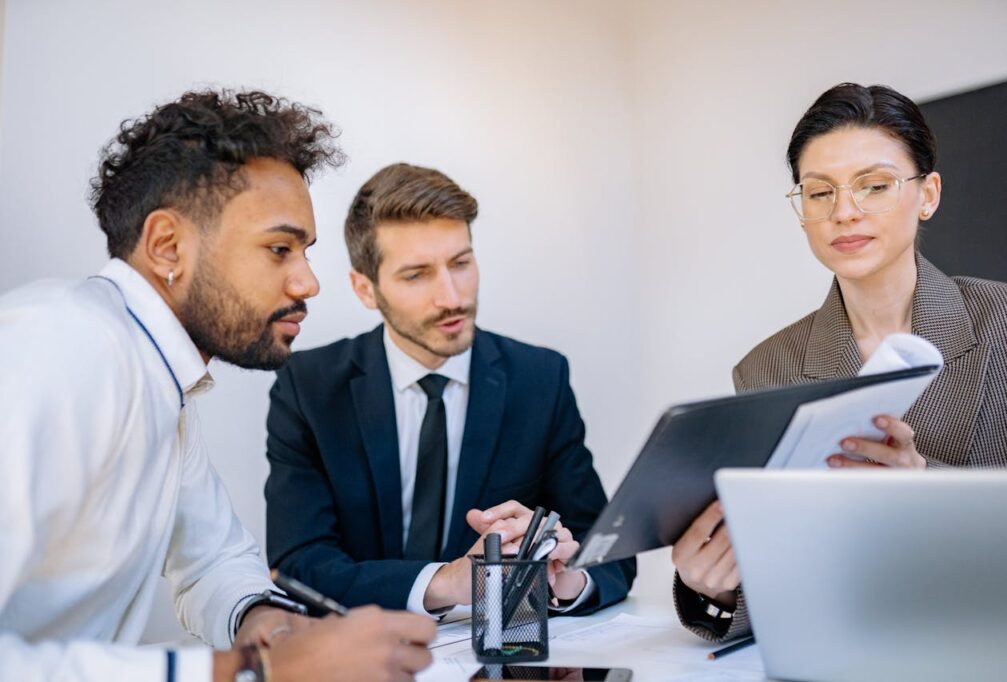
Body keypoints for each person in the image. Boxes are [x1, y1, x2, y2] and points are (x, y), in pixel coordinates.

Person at [0, 90, 436, 682]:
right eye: (278, 249)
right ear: (167, 247)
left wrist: (271, 625)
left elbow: (212, 561)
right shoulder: (67, 345)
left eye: (304, 252)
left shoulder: (160, 379)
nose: (308, 282)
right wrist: (255, 672)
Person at [671, 82, 1007, 642]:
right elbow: (785, 564)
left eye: (874, 186)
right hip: (843, 646)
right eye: (819, 193)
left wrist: (926, 487)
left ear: (928, 193)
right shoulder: (767, 369)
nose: (844, 213)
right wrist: (715, 587)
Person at [265, 162, 635, 616]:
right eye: (417, 274)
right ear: (365, 288)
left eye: (461, 264)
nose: (452, 297)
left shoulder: (540, 378)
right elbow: (298, 565)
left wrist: (565, 576)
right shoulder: (309, 386)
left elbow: (609, 552)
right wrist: (449, 582)